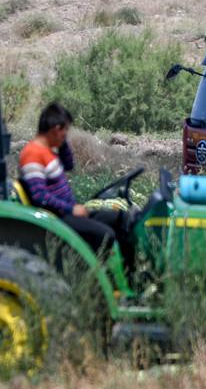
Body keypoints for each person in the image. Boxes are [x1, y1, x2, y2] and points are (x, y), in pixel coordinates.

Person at [19, 102, 136, 271]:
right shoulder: (32, 154)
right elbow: (40, 196)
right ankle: (96, 279)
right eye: (65, 130)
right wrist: (70, 209)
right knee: (105, 235)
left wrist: (63, 142)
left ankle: (129, 275)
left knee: (122, 218)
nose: (66, 134)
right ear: (55, 129)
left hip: (68, 212)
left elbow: (68, 165)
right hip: (59, 218)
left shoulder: (48, 151)